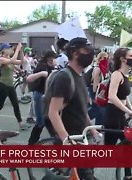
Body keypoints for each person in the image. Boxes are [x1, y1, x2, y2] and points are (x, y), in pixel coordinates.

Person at [48, 37, 99, 179]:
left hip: (81, 137)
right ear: (75, 53)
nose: (90, 54)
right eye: (87, 50)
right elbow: (53, 111)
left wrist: (93, 130)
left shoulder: (80, 76)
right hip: (72, 140)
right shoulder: (64, 77)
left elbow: (82, 109)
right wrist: (66, 139)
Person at [104, 48, 132, 180]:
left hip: (120, 115)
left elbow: (125, 96)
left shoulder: (125, 75)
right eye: (131, 56)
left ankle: (128, 176)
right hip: (112, 115)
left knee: (127, 144)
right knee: (107, 152)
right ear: (123, 59)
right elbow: (112, 97)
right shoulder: (116, 75)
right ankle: (84, 169)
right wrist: (128, 111)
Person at [0, 43, 30, 130]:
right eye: (8, 48)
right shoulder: (1, 59)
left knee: (15, 104)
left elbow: (22, 61)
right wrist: (17, 50)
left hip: (10, 86)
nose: (10, 49)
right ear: (3, 50)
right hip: (3, 85)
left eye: (10, 48)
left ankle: (20, 123)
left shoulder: (10, 59)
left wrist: (21, 50)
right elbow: (12, 61)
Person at [27, 51, 56, 144]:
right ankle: (31, 144)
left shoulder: (53, 67)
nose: (52, 61)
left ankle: (57, 143)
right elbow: (29, 78)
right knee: (41, 122)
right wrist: (42, 74)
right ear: (47, 58)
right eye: (50, 59)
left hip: (49, 97)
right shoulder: (42, 66)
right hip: (40, 95)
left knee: (50, 120)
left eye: (53, 59)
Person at [88, 51, 108, 125]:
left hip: (98, 89)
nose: (106, 59)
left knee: (98, 110)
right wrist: (94, 92)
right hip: (96, 89)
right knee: (96, 109)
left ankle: (97, 126)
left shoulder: (101, 67)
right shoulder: (98, 68)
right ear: (100, 58)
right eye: (105, 58)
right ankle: (84, 120)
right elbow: (95, 81)